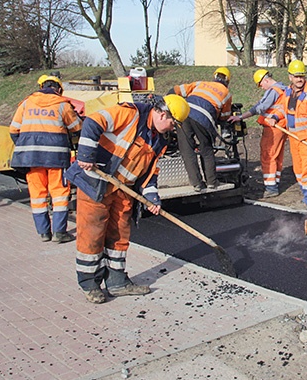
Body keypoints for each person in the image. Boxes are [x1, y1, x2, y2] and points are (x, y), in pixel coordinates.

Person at [64, 94, 189, 304]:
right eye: (172, 122)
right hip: (96, 182)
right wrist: (85, 154)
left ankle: (117, 281)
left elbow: (149, 174)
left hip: (124, 189)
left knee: (120, 234)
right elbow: (94, 121)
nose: (171, 128)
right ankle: (89, 283)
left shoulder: (159, 140)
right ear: (161, 113)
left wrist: (152, 200)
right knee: (92, 233)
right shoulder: (130, 114)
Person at [10, 73, 82, 243]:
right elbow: (77, 129)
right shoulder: (62, 104)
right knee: (59, 194)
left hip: (31, 158)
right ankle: (59, 233)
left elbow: (13, 131)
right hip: (56, 158)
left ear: (41, 87)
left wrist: (25, 147)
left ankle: (43, 233)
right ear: (58, 89)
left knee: (37, 195)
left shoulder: (26, 103)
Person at [229, 69, 288, 198]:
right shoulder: (284, 89)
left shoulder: (273, 91)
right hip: (282, 126)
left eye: (261, 84)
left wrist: (241, 117)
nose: (261, 88)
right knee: (277, 156)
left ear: (265, 80)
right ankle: (274, 182)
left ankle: (271, 188)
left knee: (268, 155)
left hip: (273, 128)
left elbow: (260, 107)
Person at [172, 67, 233, 190]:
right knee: (206, 149)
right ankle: (212, 182)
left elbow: (176, 90)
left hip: (184, 113)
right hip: (203, 118)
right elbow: (225, 116)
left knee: (187, 150)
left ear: (214, 76)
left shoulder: (201, 83)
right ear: (227, 81)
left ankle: (197, 184)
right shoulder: (226, 93)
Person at [281, 60, 307, 204]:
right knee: (298, 170)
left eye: (302, 76)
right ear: (290, 77)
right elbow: (283, 111)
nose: (299, 79)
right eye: (296, 76)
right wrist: (275, 117)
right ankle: (305, 195)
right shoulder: (287, 92)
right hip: (293, 137)